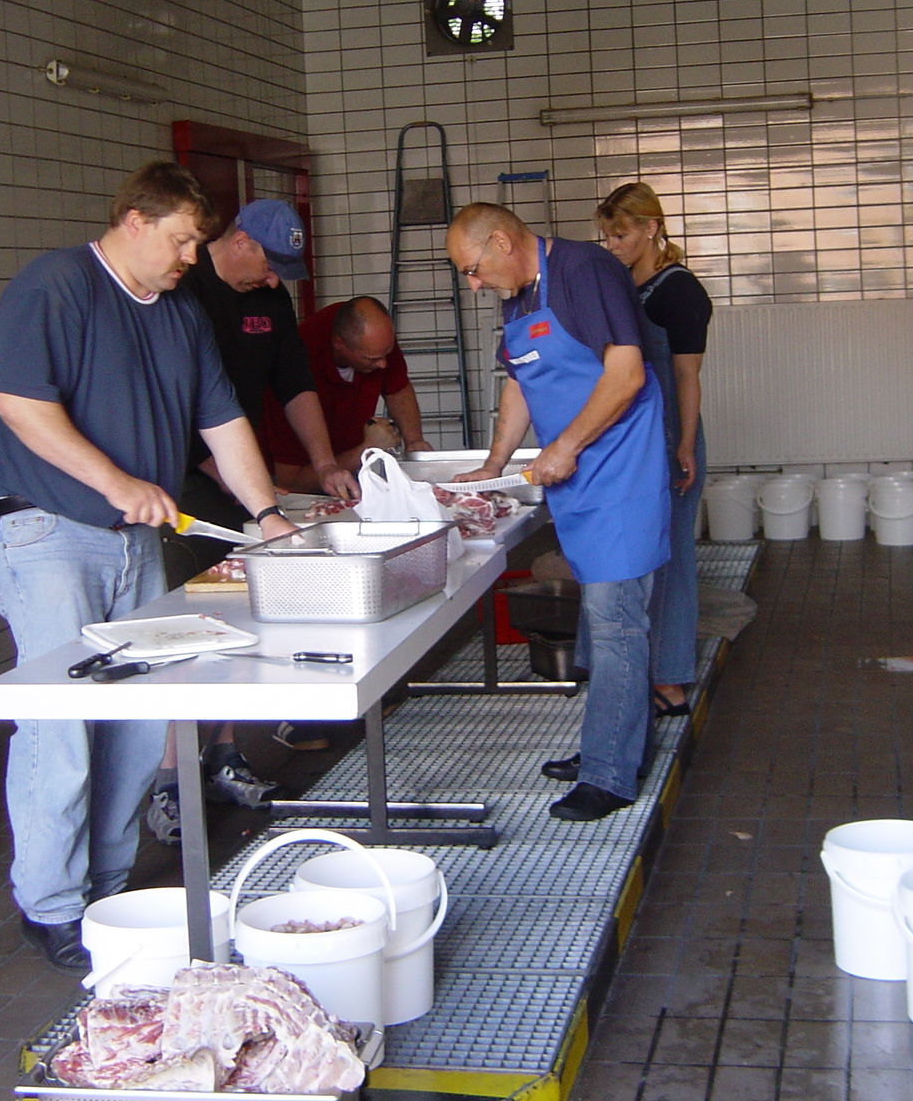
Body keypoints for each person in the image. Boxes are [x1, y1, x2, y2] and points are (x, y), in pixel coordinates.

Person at [0, 161, 297, 974]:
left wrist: (267, 515)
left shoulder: (181, 312)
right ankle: (50, 903)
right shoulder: (54, 286)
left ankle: (107, 887)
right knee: (62, 721)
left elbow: (222, 421)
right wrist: (116, 483)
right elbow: (21, 405)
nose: (191, 256)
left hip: (132, 541)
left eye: (197, 242)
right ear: (135, 221)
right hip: (48, 530)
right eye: (181, 239)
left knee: (144, 719)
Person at [445, 202, 669, 821]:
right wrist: (494, 463)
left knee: (617, 619)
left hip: (619, 469)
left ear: (500, 242)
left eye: (471, 270)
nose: (473, 285)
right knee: (602, 618)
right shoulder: (518, 294)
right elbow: (520, 381)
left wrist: (565, 446)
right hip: (575, 477)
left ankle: (609, 775)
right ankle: (615, 742)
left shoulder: (584, 270)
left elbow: (626, 374)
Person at [149, 199, 358, 841]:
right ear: (239, 239)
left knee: (242, 620)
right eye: (268, 265)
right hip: (182, 482)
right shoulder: (184, 291)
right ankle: (169, 781)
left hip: (241, 478)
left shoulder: (269, 299)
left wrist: (324, 463)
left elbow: (295, 383)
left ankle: (225, 755)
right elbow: (172, 397)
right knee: (191, 630)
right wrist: (226, 476)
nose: (273, 281)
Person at [596, 183, 712, 720]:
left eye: (621, 235)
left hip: (668, 432)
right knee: (629, 553)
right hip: (628, 434)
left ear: (651, 228)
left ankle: (670, 678)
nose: (612, 245)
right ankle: (625, 670)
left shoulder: (679, 289)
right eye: (607, 236)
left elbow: (687, 375)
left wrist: (684, 443)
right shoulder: (623, 285)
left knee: (670, 557)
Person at [266, 296, 435, 491]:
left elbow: (397, 387)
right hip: (295, 481)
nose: (383, 365)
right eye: (371, 359)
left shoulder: (374, 337)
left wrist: (414, 441)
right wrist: (367, 448)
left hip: (350, 464)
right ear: (340, 344)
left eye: (387, 354)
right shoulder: (293, 366)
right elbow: (290, 483)